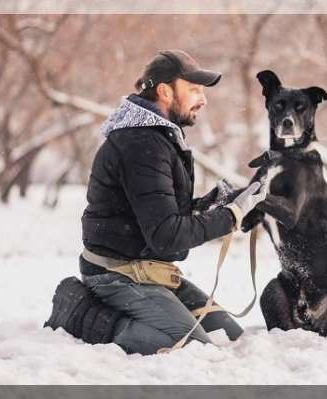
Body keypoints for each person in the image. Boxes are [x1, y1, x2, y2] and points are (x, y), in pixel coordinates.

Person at [76, 50, 266, 355]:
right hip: (117, 276)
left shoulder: (159, 137)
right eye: (193, 89)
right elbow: (167, 235)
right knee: (189, 345)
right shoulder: (141, 144)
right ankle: (84, 316)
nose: (202, 100)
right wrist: (230, 216)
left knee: (227, 335)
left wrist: (219, 203)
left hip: (153, 271)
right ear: (165, 91)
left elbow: (162, 215)